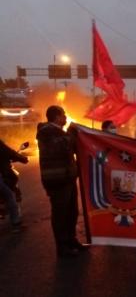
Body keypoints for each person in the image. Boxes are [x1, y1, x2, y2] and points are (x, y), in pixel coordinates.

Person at [36, 105, 87, 257]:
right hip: (57, 180)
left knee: (72, 211)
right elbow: (63, 146)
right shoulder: (45, 132)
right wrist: (72, 134)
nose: (65, 118)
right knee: (60, 214)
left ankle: (71, 240)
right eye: (64, 115)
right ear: (57, 116)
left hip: (67, 178)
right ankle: (62, 247)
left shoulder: (59, 132)